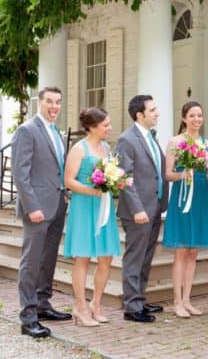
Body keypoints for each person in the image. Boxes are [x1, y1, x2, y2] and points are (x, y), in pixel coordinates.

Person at [11, 87, 72, 338]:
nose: (54, 106)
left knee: (48, 260)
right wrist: (32, 206)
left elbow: (56, 168)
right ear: (40, 102)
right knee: (31, 262)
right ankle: (27, 317)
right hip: (37, 208)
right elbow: (20, 173)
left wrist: (65, 192)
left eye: (58, 102)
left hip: (57, 205)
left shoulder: (56, 131)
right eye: (49, 102)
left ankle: (43, 304)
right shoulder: (27, 131)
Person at [63, 108, 121, 326]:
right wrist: (92, 191)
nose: (109, 128)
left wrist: (114, 182)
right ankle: (80, 307)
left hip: (103, 206)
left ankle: (97, 304)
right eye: (106, 125)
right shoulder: (79, 149)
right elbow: (69, 181)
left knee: (106, 257)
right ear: (92, 127)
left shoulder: (106, 147)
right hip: (84, 205)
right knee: (83, 258)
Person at [116, 95, 168, 323]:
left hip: (154, 206)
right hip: (138, 210)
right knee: (135, 257)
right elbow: (125, 177)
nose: (157, 113)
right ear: (140, 114)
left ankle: (139, 298)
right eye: (153, 110)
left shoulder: (150, 137)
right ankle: (132, 307)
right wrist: (137, 209)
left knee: (146, 257)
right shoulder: (127, 139)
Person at [163, 101, 208, 318]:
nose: (196, 119)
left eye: (199, 115)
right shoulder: (175, 142)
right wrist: (184, 174)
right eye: (192, 115)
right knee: (182, 250)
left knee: (193, 251)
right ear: (184, 118)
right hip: (182, 197)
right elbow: (168, 174)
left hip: (201, 195)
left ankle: (187, 299)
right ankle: (177, 301)